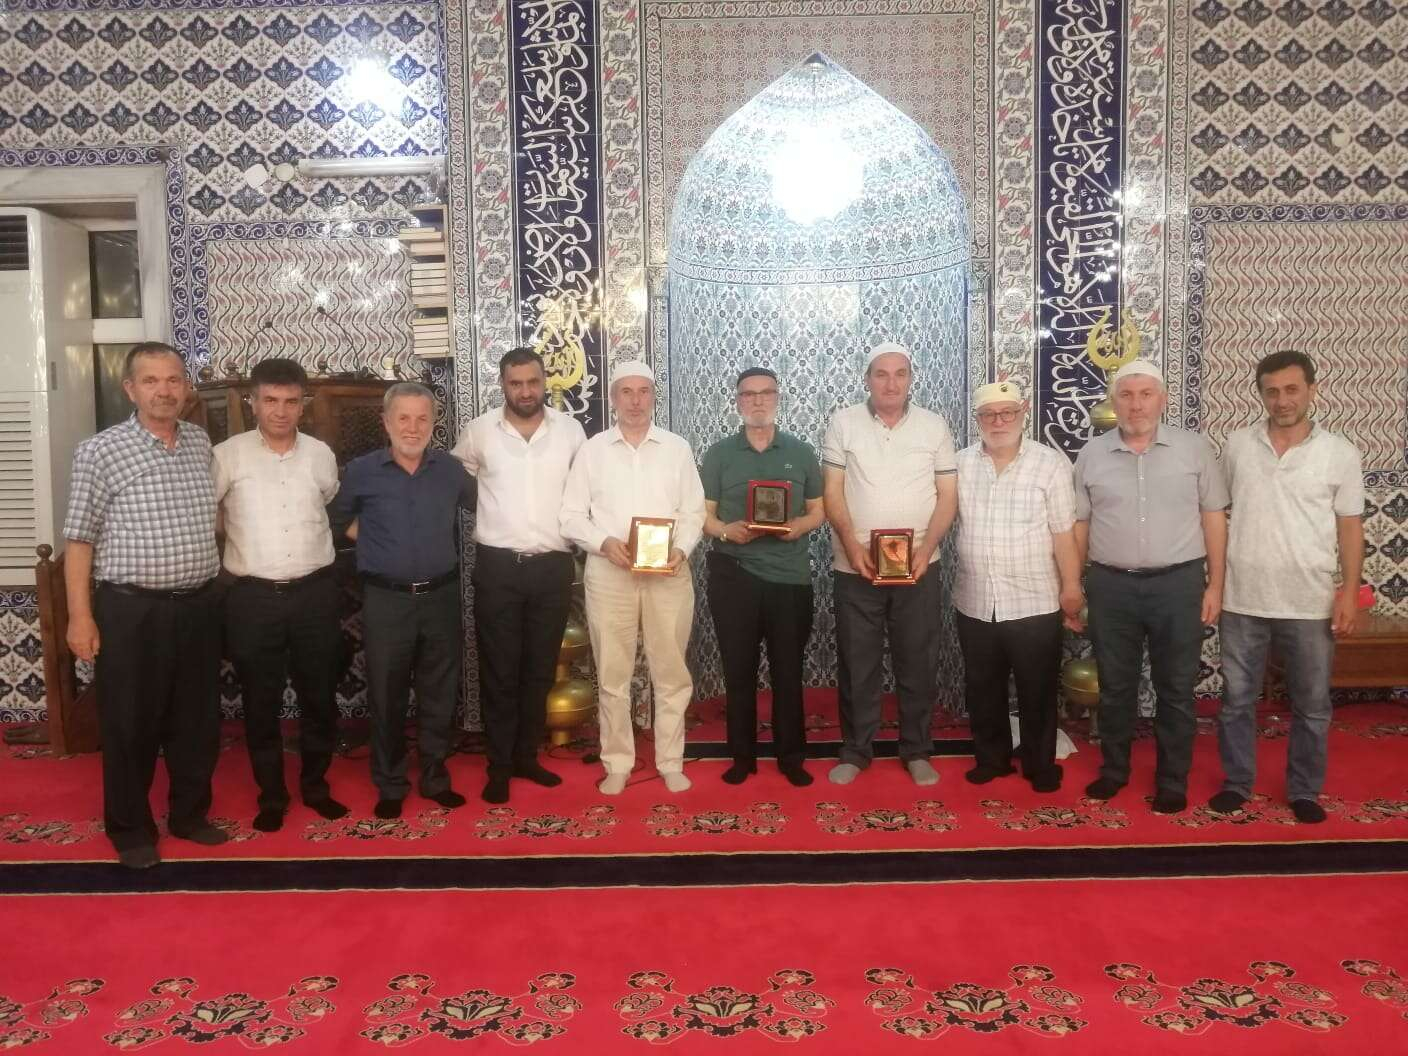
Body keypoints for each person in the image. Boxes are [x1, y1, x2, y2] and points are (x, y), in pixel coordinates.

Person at [62, 341, 224, 869]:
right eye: (151, 381)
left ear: (186, 387)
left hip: (198, 606)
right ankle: (130, 828)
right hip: (132, 611)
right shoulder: (100, 451)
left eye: (173, 380)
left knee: (195, 720)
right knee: (130, 723)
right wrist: (80, 617)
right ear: (130, 389)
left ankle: (190, 816)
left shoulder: (199, 442)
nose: (164, 391)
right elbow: (79, 540)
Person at [1212, 350, 1364, 824]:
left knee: (1312, 705)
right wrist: (1214, 584)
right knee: (1236, 701)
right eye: (1272, 391)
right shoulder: (1237, 445)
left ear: (1312, 390)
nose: (1282, 400)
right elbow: (1215, 513)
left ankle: (1303, 790)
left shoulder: (1339, 453)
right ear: (1261, 394)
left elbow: (1350, 527)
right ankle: (1237, 783)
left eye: (1292, 389)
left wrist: (1348, 592)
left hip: (1309, 600)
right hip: (1243, 598)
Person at [1074, 359, 1229, 814]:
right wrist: (1074, 586)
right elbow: (1080, 525)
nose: (1136, 405)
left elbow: (1214, 518)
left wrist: (1216, 585)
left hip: (1178, 586)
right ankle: (1114, 771)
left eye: (1145, 394)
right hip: (1111, 586)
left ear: (1162, 399)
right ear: (1113, 401)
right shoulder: (1092, 455)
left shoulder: (1193, 450)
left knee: (1176, 688)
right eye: (1126, 395)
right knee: (1115, 686)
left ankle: (1172, 780)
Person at [330, 382, 475, 818]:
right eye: (404, 418)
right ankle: (390, 782)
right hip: (386, 601)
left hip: (441, 597)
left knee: (439, 692)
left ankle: (434, 777)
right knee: (386, 694)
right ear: (386, 422)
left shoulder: (450, 471)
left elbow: (490, 506)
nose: (413, 427)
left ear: (433, 423)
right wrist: (374, 540)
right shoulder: (362, 471)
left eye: (422, 418)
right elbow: (336, 519)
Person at [214, 358, 347, 832]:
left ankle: (316, 786)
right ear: (252, 402)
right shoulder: (226, 456)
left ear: (302, 404)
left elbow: (328, 503)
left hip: (315, 593)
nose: (280, 411)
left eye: (290, 401)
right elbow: (211, 515)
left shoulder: (320, 454)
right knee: (260, 702)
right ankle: (271, 796)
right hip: (252, 598)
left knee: (319, 697)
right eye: (270, 400)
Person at [560, 360, 705, 795]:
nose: (636, 401)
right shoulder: (593, 450)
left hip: (668, 573)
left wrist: (681, 549)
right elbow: (571, 515)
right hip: (610, 573)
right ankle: (617, 763)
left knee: (671, 672)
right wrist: (603, 542)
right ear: (613, 398)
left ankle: (670, 761)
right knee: (612, 673)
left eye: (644, 391)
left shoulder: (676, 448)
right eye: (627, 392)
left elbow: (694, 512)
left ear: (653, 397)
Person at [821, 341, 959, 786]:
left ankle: (916, 750)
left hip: (919, 567)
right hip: (855, 567)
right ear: (867, 379)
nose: (891, 383)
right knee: (857, 662)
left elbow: (948, 496)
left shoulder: (934, 426)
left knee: (917, 660)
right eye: (881, 374)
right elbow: (832, 491)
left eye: (900, 374)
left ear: (911, 379)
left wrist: (926, 548)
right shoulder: (843, 422)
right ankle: (856, 751)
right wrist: (851, 544)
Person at [452, 347, 586, 804]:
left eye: (532, 382)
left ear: (544, 381)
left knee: (539, 670)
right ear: (503, 385)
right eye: (516, 383)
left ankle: (527, 757)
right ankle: (499, 766)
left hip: (552, 567)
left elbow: (585, 489)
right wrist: (497, 512)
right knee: (499, 671)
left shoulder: (570, 431)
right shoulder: (479, 431)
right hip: (498, 567)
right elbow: (460, 483)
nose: (525, 391)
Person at [953, 382, 1083, 792]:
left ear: (1022, 412)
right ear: (977, 420)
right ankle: (991, 759)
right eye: (989, 414)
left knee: (1037, 688)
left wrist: (1072, 586)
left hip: (1034, 600)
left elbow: (1063, 533)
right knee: (983, 687)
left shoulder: (1050, 464)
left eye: (1007, 412)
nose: (999, 421)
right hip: (975, 599)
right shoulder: (960, 464)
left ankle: (1040, 764)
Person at [699, 368, 826, 786]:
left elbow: (819, 510)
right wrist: (725, 531)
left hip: (789, 579)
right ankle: (742, 757)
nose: (757, 401)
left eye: (765, 393)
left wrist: (798, 527)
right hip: (734, 577)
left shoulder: (801, 452)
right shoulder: (719, 454)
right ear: (737, 401)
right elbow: (704, 514)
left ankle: (791, 757)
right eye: (749, 394)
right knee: (739, 672)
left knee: (788, 672)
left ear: (777, 398)